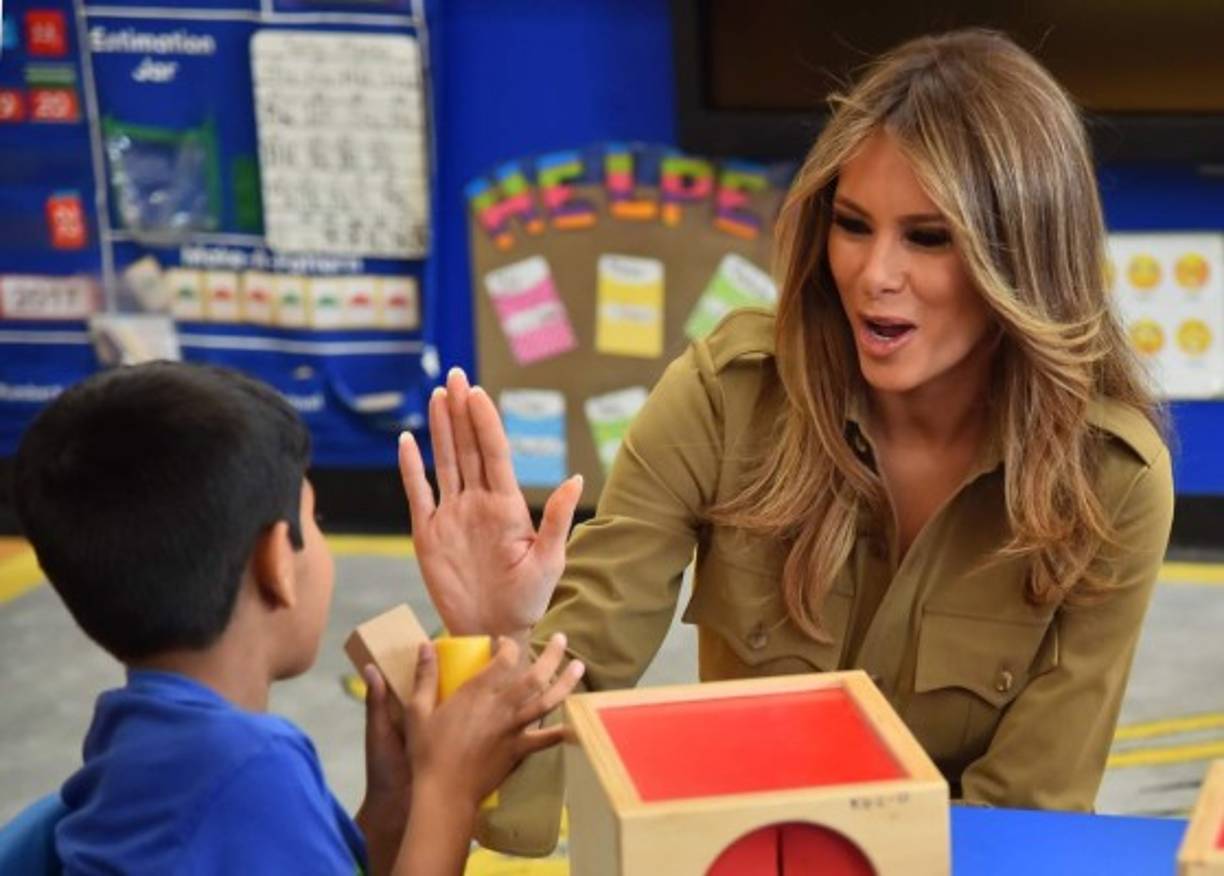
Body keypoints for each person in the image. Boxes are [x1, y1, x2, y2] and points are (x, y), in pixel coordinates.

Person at [401, 28, 1175, 853]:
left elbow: (1028, 807)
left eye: (928, 237)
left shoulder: (1112, 478)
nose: (875, 273)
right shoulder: (722, 397)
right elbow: (566, 696)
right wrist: (497, 639)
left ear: (1021, 256)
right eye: (852, 224)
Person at [13, 361, 585, 875]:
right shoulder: (245, 769)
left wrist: (391, 809)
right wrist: (450, 794)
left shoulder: (135, 737)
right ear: (275, 561)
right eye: (316, 518)